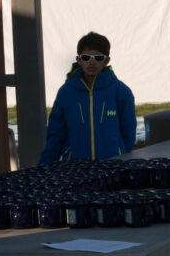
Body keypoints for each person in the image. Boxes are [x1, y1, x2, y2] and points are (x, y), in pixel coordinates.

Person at [38, 31, 135, 164]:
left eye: (98, 58)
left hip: (112, 167)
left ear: (107, 60)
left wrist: (122, 158)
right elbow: (56, 135)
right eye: (86, 57)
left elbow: (128, 133)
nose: (92, 62)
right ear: (78, 60)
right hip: (75, 168)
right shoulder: (66, 92)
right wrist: (43, 166)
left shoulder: (121, 91)